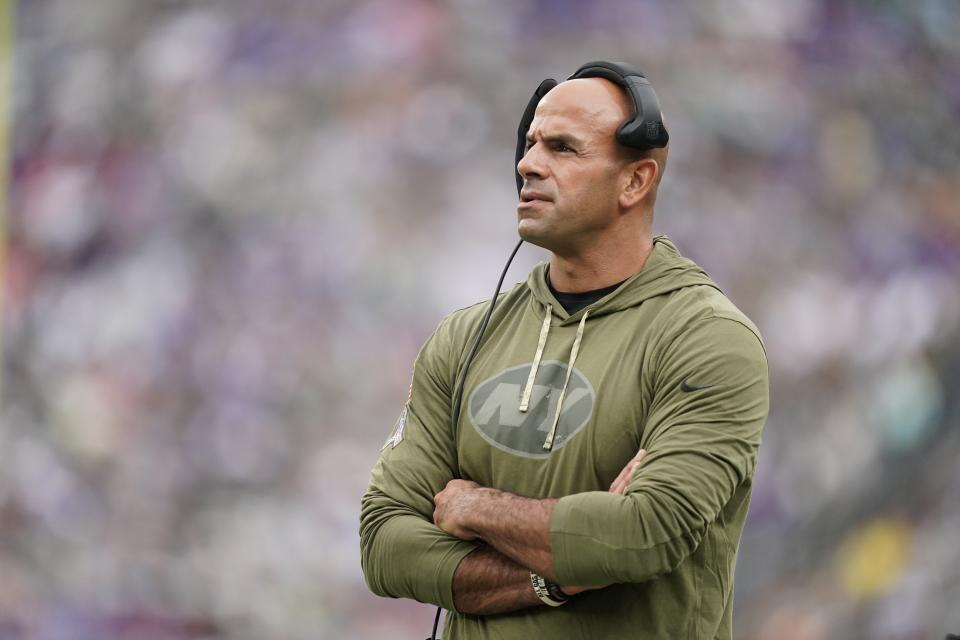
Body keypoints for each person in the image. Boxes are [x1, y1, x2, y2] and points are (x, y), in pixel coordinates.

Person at [359, 61, 770, 639]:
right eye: (529, 144)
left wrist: (475, 508)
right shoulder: (464, 337)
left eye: (563, 148)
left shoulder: (706, 339)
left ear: (635, 181)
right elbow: (384, 541)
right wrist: (554, 576)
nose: (528, 164)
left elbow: (645, 534)